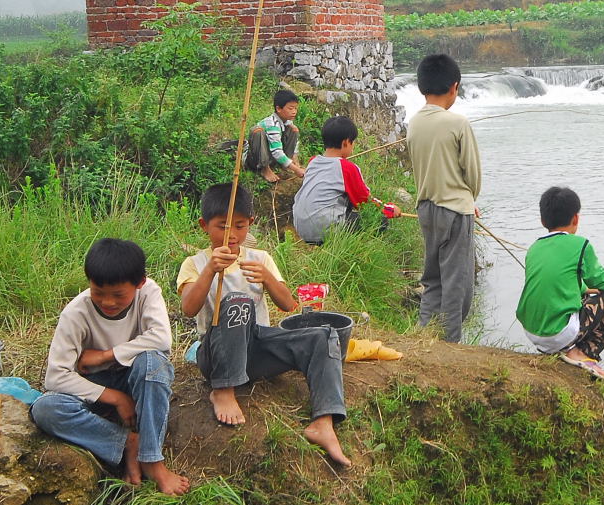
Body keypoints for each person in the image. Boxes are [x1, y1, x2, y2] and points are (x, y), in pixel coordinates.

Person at [176, 183, 351, 467]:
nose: (231, 235)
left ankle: (324, 421)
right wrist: (210, 270)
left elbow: (288, 306)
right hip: (216, 353)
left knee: (325, 335)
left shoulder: (260, 259)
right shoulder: (196, 263)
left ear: (251, 224)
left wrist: (268, 278)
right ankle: (223, 389)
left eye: (240, 226)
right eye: (222, 226)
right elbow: (188, 308)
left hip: (255, 349)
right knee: (237, 302)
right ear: (204, 226)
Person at [30, 239, 189, 495]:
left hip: (138, 377)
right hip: (96, 384)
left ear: (139, 284)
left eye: (118, 295)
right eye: (98, 292)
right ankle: (126, 442)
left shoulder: (148, 293)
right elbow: (55, 377)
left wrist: (105, 355)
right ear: (89, 282)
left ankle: (152, 459)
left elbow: (161, 339)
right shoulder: (76, 313)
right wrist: (115, 397)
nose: (108, 302)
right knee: (46, 409)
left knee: (154, 362)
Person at [516, 186, 604, 379]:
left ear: (543, 220)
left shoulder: (534, 248)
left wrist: (584, 290)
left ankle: (561, 348)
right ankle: (583, 351)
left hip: (532, 331)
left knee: (582, 295)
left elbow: (555, 283)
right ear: (576, 219)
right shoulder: (581, 245)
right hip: (558, 334)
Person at [405, 54, 482, 343]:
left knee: (433, 277)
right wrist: (469, 200)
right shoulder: (457, 123)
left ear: (421, 88)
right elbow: (472, 174)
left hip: (426, 208)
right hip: (456, 211)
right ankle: (450, 344)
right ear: (454, 87)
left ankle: (424, 336)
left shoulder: (414, 123)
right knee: (458, 284)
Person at [292, 115, 402, 244]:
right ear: (346, 142)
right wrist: (388, 209)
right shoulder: (346, 168)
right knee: (379, 221)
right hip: (322, 229)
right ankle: (348, 250)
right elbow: (364, 201)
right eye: (353, 142)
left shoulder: (313, 161)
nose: (353, 145)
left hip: (301, 226)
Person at [244, 89, 305, 182]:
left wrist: (295, 161)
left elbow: (295, 143)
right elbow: (277, 151)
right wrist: (296, 170)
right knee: (257, 131)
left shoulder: (288, 122)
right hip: (256, 159)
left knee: (293, 129)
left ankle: (286, 162)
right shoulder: (272, 124)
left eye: (295, 108)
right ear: (279, 109)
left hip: (272, 156)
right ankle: (265, 168)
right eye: (290, 108)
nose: (294, 112)